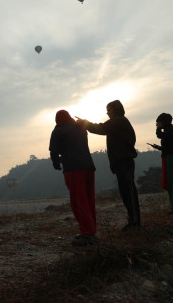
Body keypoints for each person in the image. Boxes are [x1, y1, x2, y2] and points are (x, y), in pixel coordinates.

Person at [76, 100, 140, 231]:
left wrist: (84, 123)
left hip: (123, 161)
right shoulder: (120, 121)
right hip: (122, 161)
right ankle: (133, 221)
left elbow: (101, 128)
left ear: (115, 110)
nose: (107, 112)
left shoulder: (118, 121)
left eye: (109, 109)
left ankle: (134, 222)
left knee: (128, 192)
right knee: (126, 192)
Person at [49, 110, 97, 246]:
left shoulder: (58, 130)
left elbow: (54, 151)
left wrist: (56, 164)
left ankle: (87, 233)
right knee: (89, 199)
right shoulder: (80, 127)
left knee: (78, 201)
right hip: (89, 166)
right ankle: (91, 231)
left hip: (73, 169)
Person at [149, 113, 173, 212]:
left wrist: (157, 128)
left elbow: (160, 136)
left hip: (172, 160)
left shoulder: (170, 131)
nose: (158, 124)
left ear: (163, 122)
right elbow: (168, 147)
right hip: (171, 158)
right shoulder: (170, 130)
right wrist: (158, 147)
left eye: (159, 122)